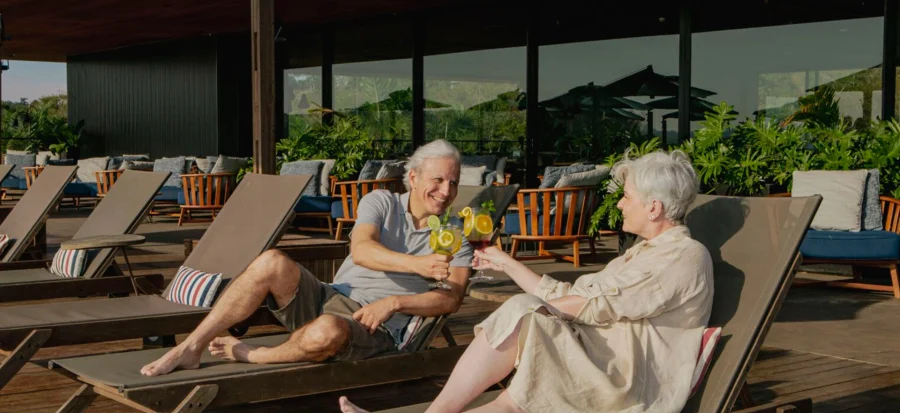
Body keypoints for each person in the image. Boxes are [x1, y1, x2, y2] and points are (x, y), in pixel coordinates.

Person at [339, 150, 714, 413]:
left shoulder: (684, 256)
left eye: (626, 197)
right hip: (593, 357)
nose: (618, 204)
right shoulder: (641, 252)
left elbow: (595, 306)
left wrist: (532, 311)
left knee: (521, 313)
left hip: (624, 383)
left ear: (654, 208)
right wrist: (507, 263)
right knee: (510, 399)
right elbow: (577, 295)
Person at [141, 139, 473, 376]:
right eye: (439, 180)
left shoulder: (455, 231)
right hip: (330, 296)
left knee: (327, 330)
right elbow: (361, 250)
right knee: (271, 261)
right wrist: (416, 264)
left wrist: (394, 303)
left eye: (454, 182)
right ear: (413, 178)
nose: (446, 191)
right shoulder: (381, 202)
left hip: (373, 327)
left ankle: (257, 356)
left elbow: (452, 299)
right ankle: (191, 347)